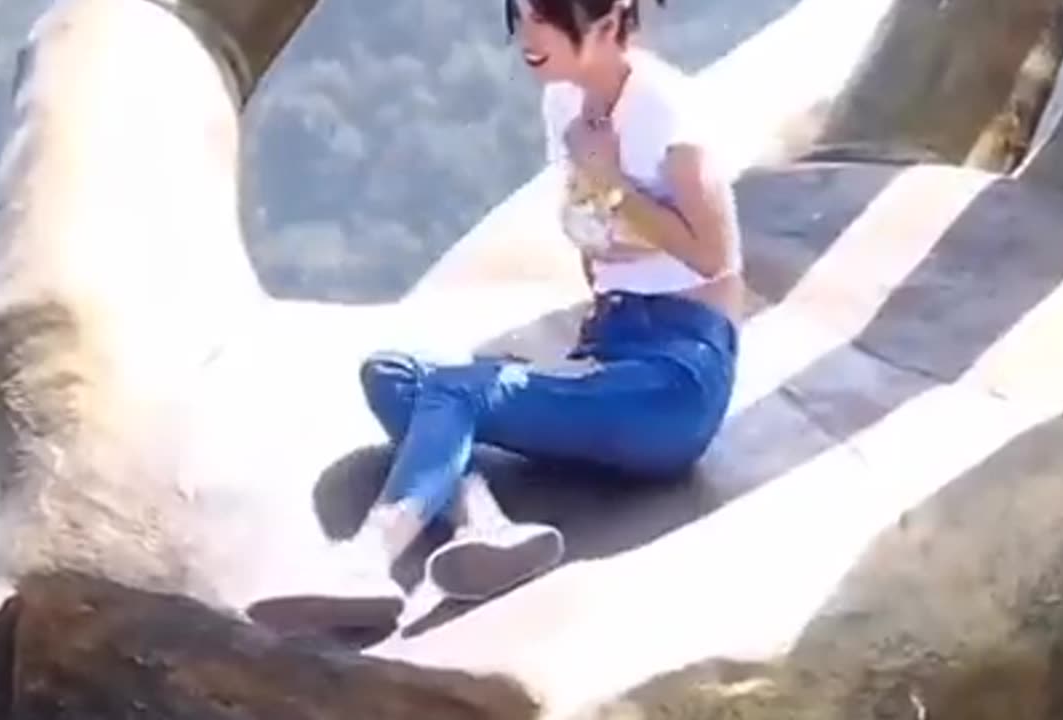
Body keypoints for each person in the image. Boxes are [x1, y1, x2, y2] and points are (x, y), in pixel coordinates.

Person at [258, 0, 744, 633]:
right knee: (394, 373)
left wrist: (611, 179)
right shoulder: (563, 104)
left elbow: (714, 255)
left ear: (603, 23)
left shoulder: (666, 111)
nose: (527, 33)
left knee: (460, 390)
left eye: (546, 16)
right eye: (520, 13)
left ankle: (367, 558)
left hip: (675, 378)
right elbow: (594, 240)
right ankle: (483, 523)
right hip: (611, 348)